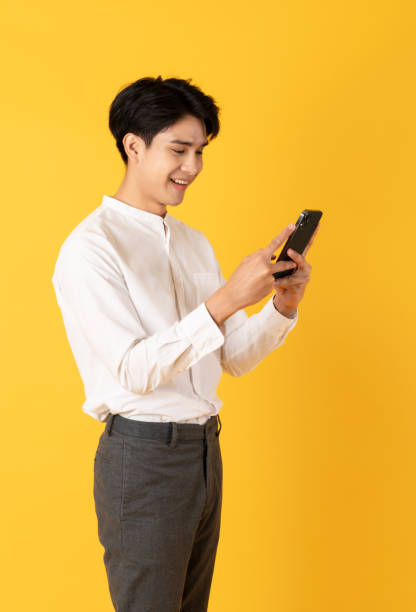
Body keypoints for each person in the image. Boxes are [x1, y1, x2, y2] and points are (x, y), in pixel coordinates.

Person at [51, 75, 319, 611]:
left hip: (203, 452)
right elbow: (133, 369)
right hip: (143, 457)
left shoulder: (194, 244)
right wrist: (224, 299)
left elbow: (233, 358)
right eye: (178, 149)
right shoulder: (91, 248)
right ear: (133, 145)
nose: (192, 167)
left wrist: (280, 303)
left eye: (200, 151)